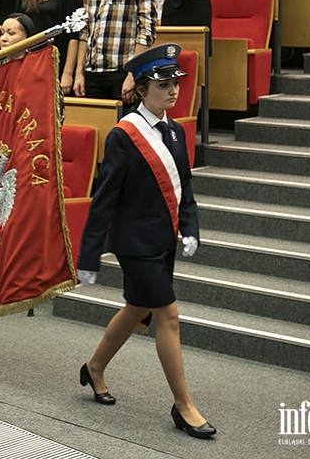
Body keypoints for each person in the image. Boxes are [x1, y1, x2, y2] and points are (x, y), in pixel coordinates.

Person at [77, 44, 214, 439]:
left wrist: (191, 227)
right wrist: (90, 254)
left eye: (175, 83)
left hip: (163, 238)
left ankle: (95, 367)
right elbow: (103, 200)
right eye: (163, 84)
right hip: (134, 242)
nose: (173, 91)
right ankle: (183, 405)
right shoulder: (125, 135)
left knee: (137, 307)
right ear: (141, 88)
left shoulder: (172, 129)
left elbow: (184, 185)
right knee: (167, 314)